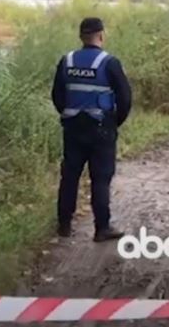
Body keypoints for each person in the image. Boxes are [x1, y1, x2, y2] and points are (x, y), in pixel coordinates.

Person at [51, 17, 132, 241]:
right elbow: (125, 98)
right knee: (101, 178)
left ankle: (64, 225)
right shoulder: (110, 63)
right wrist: (115, 122)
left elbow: (57, 96)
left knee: (70, 176)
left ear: (80, 36)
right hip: (101, 128)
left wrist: (68, 114)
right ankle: (102, 228)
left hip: (72, 127)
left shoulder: (66, 61)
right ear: (101, 35)